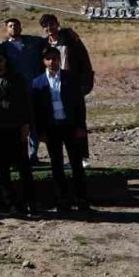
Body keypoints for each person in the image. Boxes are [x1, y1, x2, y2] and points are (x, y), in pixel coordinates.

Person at [31, 48, 91, 213]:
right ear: (44, 61)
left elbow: (80, 105)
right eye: (49, 59)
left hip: (70, 126)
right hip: (52, 128)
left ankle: (82, 198)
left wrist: (80, 127)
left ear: (59, 60)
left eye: (55, 58)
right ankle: (62, 199)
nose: (52, 62)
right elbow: (36, 110)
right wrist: (40, 132)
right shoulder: (37, 82)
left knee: (76, 164)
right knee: (56, 165)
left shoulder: (70, 78)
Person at [0, 48, 35, 216]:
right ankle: (10, 204)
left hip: (16, 128)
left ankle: (30, 202)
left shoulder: (17, 79)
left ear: (5, 61)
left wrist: (26, 127)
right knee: (2, 170)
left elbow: (25, 104)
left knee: (24, 168)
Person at [40, 13, 95, 168]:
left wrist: (86, 83)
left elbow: (85, 61)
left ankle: (83, 157)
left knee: (77, 120)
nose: (49, 28)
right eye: (46, 26)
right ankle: (67, 158)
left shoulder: (71, 40)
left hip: (72, 85)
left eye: (52, 24)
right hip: (53, 87)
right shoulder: (45, 45)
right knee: (59, 123)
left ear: (57, 24)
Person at [2, 18, 47, 162]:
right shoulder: (4, 47)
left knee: (34, 123)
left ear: (21, 27)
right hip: (15, 91)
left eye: (16, 25)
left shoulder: (33, 42)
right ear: (7, 29)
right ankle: (19, 155)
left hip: (34, 89)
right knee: (19, 124)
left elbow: (49, 41)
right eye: (10, 26)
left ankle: (33, 155)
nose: (13, 28)